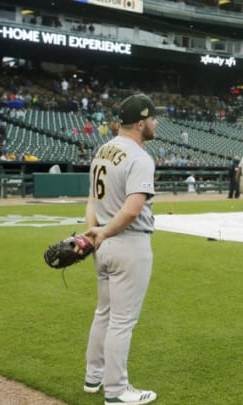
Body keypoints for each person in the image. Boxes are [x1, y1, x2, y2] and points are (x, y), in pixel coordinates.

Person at [81, 93, 163, 404]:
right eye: (153, 119)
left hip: (103, 245)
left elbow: (91, 199)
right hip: (128, 243)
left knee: (103, 313)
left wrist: (95, 233)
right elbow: (131, 211)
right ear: (141, 123)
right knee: (122, 321)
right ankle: (116, 393)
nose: (156, 123)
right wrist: (104, 231)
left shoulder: (104, 149)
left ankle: (94, 377)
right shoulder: (140, 158)